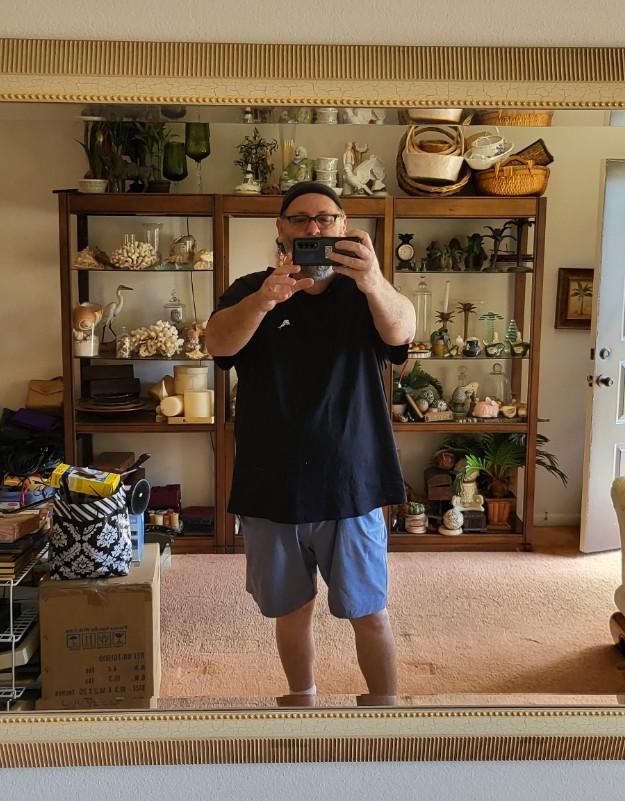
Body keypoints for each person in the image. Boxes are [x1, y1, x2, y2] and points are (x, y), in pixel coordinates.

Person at [204, 182, 415, 704]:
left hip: (353, 482)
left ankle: (387, 714)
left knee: (370, 611)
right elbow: (217, 344)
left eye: (325, 219)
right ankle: (302, 701)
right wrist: (264, 300)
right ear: (281, 230)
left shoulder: (365, 292)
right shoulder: (251, 289)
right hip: (272, 483)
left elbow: (401, 334)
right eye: (300, 220)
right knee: (291, 610)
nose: (313, 228)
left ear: (343, 226)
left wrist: (374, 280)